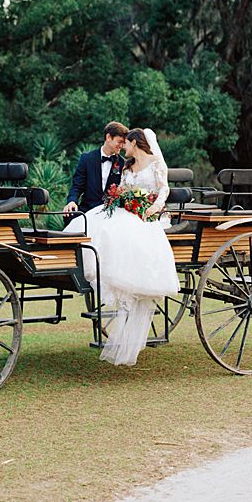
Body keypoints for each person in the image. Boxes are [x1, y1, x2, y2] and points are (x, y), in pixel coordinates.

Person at [67, 127, 180, 366]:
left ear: (135, 143)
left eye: (126, 144)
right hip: (125, 209)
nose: (123, 148)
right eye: (120, 143)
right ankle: (92, 263)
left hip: (147, 213)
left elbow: (164, 190)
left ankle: (119, 276)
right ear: (108, 138)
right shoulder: (126, 167)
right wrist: (122, 200)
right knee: (96, 223)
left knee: (117, 229)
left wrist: (151, 208)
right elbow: (121, 191)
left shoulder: (156, 164)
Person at [63, 121, 129, 217]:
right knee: (70, 217)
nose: (122, 146)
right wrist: (72, 201)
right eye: (119, 142)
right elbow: (77, 186)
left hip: (112, 213)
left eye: (124, 143)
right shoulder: (86, 159)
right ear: (108, 137)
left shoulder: (124, 164)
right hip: (87, 210)